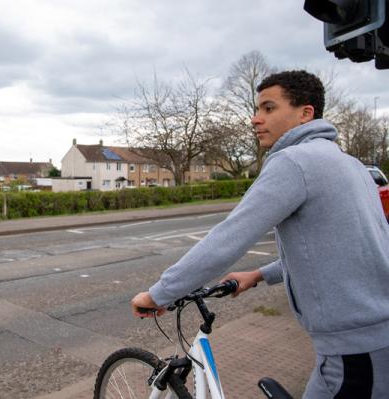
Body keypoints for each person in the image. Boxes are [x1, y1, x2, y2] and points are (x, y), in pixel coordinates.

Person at [131, 70, 389, 398]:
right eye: (257, 110)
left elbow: (229, 238)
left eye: (268, 108)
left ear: (305, 113)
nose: (255, 119)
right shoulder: (350, 164)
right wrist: (259, 274)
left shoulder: (293, 162)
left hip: (353, 351)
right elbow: (340, 248)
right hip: (377, 339)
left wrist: (158, 295)